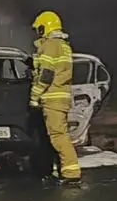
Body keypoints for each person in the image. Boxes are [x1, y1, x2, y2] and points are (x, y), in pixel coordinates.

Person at [29, 10, 80, 184]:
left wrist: (34, 95)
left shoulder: (50, 45)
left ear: (45, 28)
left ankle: (71, 174)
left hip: (52, 98)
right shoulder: (63, 45)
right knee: (59, 135)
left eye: (39, 28)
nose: (38, 32)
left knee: (58, 137)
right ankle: (64, 171)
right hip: (61, 97)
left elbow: (46, 74)